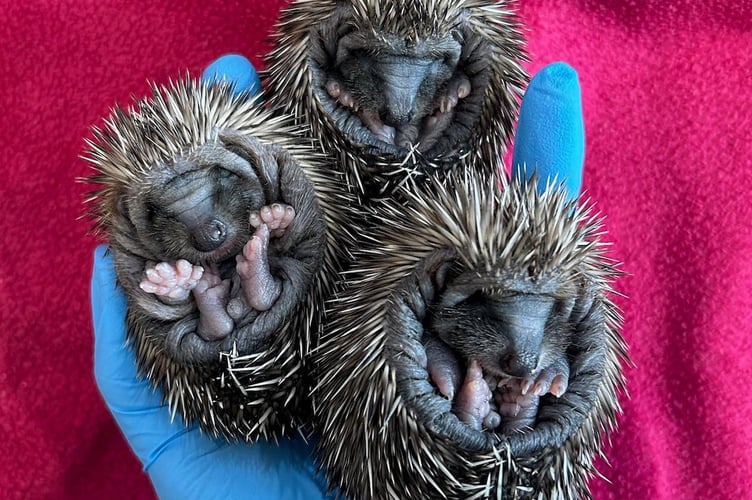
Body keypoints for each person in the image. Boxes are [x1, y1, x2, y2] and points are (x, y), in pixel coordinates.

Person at [91, 55, 585, 500]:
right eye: (171, 215)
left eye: (218, 184)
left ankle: (229, 304)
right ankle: (234, 302)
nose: (209, 230)